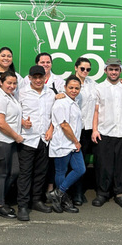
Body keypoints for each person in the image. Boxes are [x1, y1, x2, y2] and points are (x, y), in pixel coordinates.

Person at [92, 58, 122, 208]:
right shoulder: (98, 88)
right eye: (111, 69)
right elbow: (95, 110)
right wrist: (95, 129)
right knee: (104, 165)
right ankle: (102, 193)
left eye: (116, 69)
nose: (113, 72)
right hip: (104, 132)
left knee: (121, 165)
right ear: (105, 71)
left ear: (120, 71)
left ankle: (120, 194)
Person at [17, 65, 56, 221]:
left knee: (41, 173)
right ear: (30, 78)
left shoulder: (51, 93)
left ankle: (36, 201)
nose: (38, 80)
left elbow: (55, 114)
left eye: (41, 77)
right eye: (35, 77)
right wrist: (21, 122)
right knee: (25, 174)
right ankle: (23, 206)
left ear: (44, 77)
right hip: (27, 139)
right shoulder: (21, 93)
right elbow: (14, 113)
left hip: (44, 139)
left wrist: (51, 129)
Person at [47, 75, 86, 214]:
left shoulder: (74, 102)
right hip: (63, 143)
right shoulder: (61, 103)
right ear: (64, 88)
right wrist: (76, 141)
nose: (74, 90)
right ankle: (63, 200)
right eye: (71, 87)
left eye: (77, 88)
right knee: (61, 172)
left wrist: (75, 142)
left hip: (73, 143)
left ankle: (58, 193)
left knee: (80, 169)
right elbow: (64, 124)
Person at [0, 71, 23, 218]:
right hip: (0, 141)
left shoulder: (10, 96)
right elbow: (0, 122)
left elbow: (12, 117)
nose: (12, 86)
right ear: (1, 82)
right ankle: (0, 205)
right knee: (2, 173)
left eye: (14, 83)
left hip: (10, 141)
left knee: (14, 171)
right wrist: (16, 136)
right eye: (9, 83)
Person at [71, 57, 97, 206]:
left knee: (82, 162)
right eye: (82, 69)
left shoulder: (92, 84)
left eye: (88, 69)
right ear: (76, 68)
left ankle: (78, 192)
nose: (85, 71)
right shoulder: (68, 83)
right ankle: (71, 192)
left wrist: (120, 83)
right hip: (73, 130)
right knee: (71, 163)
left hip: (87, 129)